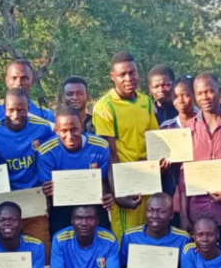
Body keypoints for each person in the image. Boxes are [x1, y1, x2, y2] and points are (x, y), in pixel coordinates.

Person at [93, 52, 159, 239]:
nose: (129, 78)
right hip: (124, 184)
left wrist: (155, 161)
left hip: (147, 179)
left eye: (133, 72)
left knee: (147, 236)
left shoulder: (145, 101)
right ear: (113, 76)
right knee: (126, 239)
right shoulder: (105, 106)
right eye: (123, 74)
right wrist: (119, 192)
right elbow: (109, 153)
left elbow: (153, 139)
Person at [0, 88, 55, 254]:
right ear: (3, 108)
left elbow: (52, 158)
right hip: (5, 206)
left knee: (41, 252)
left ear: (28, 107)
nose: (16, 115)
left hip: (35, 205)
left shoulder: (43, 129)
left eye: (21, 110)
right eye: (11, 110)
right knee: (6, 256)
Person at [179, 73, 221, 254]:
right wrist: (184, 216)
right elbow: (184, 177)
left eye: (209, 91)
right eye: (200, 93)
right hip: (198, 215)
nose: (205, 97)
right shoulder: (188, 128)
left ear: (220, 91)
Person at [37, 106, 113, 235]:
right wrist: (47, 190)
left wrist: (107, 196)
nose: (70, 136)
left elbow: (103, 181)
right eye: (64, 131)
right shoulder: (46, 151)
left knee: (102, 232)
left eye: (74, 130)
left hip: (92, 201)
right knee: (59, 234)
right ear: (56, 130)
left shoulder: (100, 146)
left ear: (82, 127)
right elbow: (47, 191)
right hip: (62, 205)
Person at [158, 77, 197, 227]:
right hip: (173, 189)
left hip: (198, 187)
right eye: (175, 96)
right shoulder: (166, 128)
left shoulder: (203, 122)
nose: (180, 100)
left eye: (185, 95)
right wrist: (160, 165)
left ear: (194, 95)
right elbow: (158, 162)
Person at [0, 59, 55, 123]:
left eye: (24, 78)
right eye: (14, 78)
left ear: (32, 80)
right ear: (7, 81)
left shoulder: (45, 115)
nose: (19, 83)